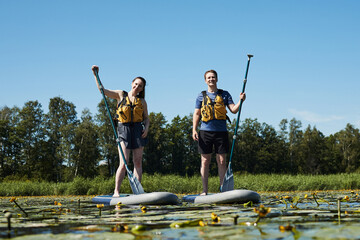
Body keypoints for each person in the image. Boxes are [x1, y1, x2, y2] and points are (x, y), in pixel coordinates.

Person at [92, 65, 150, 197]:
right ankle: (116, 191)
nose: (137, 87)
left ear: (142, 89)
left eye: (140, 86)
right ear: (132, 83)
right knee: (124, 163)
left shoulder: (142, 101)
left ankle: (137, 193)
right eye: (136, 84)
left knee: (138, 162)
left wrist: (146, 128)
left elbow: (146, 118)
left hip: (137, 130)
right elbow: (102, 91)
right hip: (123, 130)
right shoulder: (120, 94)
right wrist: (96, 75)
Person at [192, 69, 246, 195]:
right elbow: (197, 113)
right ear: (205, 80)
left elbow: (233, 110)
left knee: (222, 161)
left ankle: (223, 190)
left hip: (221, 132)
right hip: (205, 132)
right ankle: (204, 190)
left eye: (213, 77)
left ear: (217, 79)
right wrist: (194, 129)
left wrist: (241, 101)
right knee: (205, 161)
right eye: (209, 78)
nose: (211, 79)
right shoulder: (201, 95)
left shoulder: (225, 94)